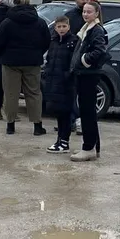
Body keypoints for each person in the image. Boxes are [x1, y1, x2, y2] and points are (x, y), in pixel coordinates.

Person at [0, 0, 50, 137]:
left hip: (10, 62)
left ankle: (10, 125)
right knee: (34, 93)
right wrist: (37, 53)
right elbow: (46, 41)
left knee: (11, 93)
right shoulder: (40, 22)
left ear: (14, 4)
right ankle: (37, 125)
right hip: (33, 61)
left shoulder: (7, 22)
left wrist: (2, 55)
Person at [70, 0, 108, 162]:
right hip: (84, 73)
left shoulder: (96, 30)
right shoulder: (86, 28)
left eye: (89, 12)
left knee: (87, 112)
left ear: (96, 13)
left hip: (89, 74)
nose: (86, 14)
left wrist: (84, 60)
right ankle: (94, 146)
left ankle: (89, 147)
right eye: (84, 11)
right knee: (87, 111)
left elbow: (100, 50)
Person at [42, 14, 78, 153]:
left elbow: (73, 63)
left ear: (68, 27)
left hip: (66, 84)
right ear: (55, 27)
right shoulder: (54, 41)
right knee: (58, 113)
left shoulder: (73, 41)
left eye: (64, 26)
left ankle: (65, 141)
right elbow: (50, 59)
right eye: (59, 26)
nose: (61, 29)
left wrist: (67, 76)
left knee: (66, 113)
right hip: (54, 82)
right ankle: (59, 140)